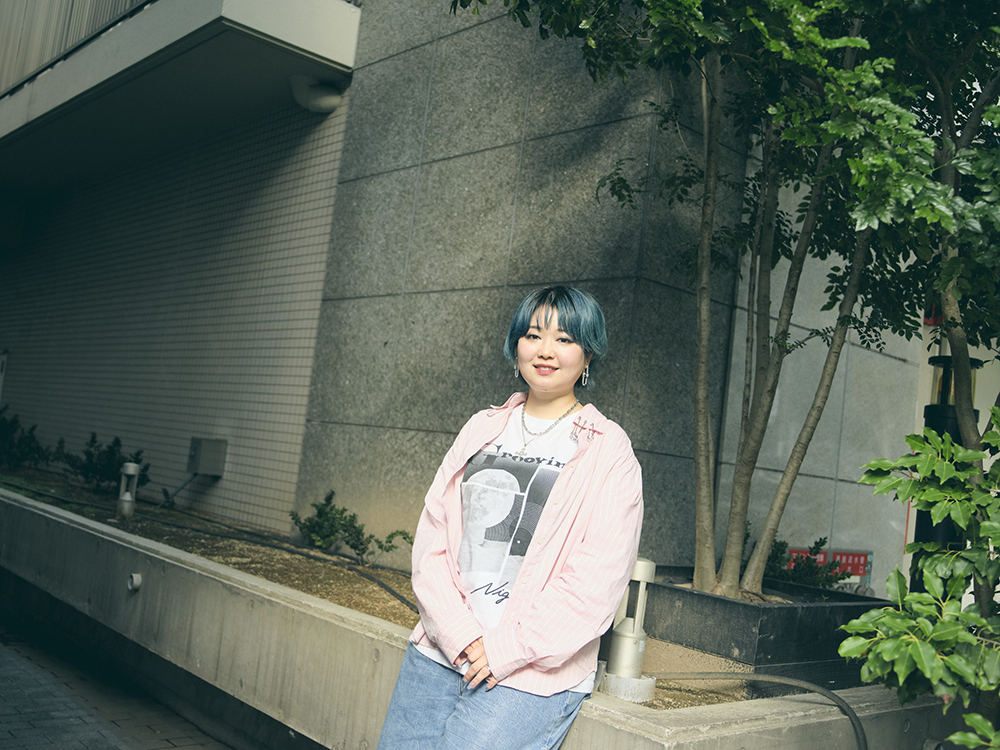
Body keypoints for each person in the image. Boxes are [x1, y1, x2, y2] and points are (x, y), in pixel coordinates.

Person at [377, 286, 643, 750]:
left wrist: (505, 650)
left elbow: (597, 579)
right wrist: (459, 635)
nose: (545, 350)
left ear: (588, 354)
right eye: (533, 335)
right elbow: (434, 538)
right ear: (516, 345)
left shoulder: (608, 449)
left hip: (532, 671)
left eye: (564, 339)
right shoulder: (482, 426)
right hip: (442, 649)